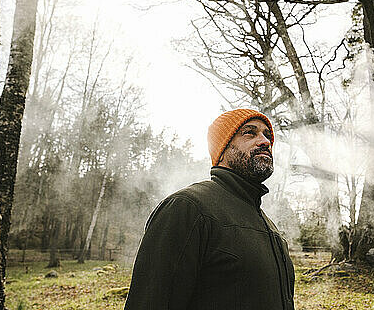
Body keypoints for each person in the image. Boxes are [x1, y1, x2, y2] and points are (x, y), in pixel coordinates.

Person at [124, 109, 295, 310]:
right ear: (222, 149)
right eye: (250, 132)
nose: (265, 141)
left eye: (267, 135)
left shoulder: (269, 226)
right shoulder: (188, 208)